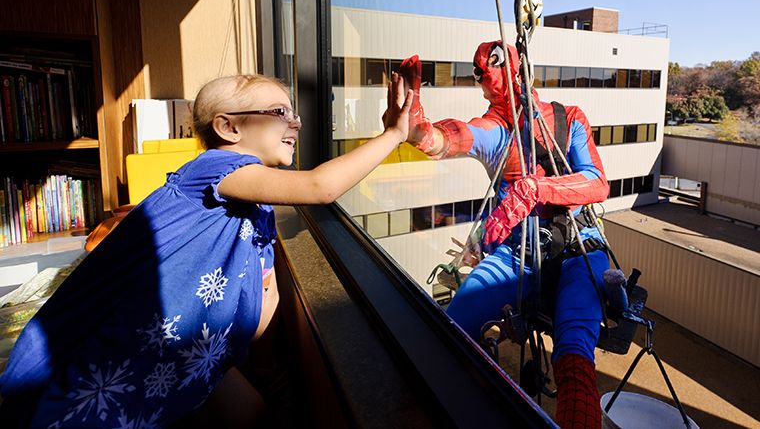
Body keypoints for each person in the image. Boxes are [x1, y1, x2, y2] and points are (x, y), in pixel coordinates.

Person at [0, 73, 412, 428]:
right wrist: (393, 134)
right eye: (280, 112)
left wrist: (271, 368)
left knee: (251, 413)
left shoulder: (256, 201)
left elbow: (264, 285)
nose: (297, 122)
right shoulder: (214, 167)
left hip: (188, 345)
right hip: (141, 343)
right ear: (229, 128)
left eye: (294, 113)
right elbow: (319, 188)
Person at [400, 41, 609, 428]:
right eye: (480, 75)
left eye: (487, 71)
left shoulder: (566, 120)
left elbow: (597, 184)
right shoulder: (496, 130)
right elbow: (452, 137)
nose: (484, 80)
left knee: (575, 351)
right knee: (456, 326)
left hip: (579, 245)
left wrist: (538, 189)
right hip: (520, 253)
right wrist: (418, 129)